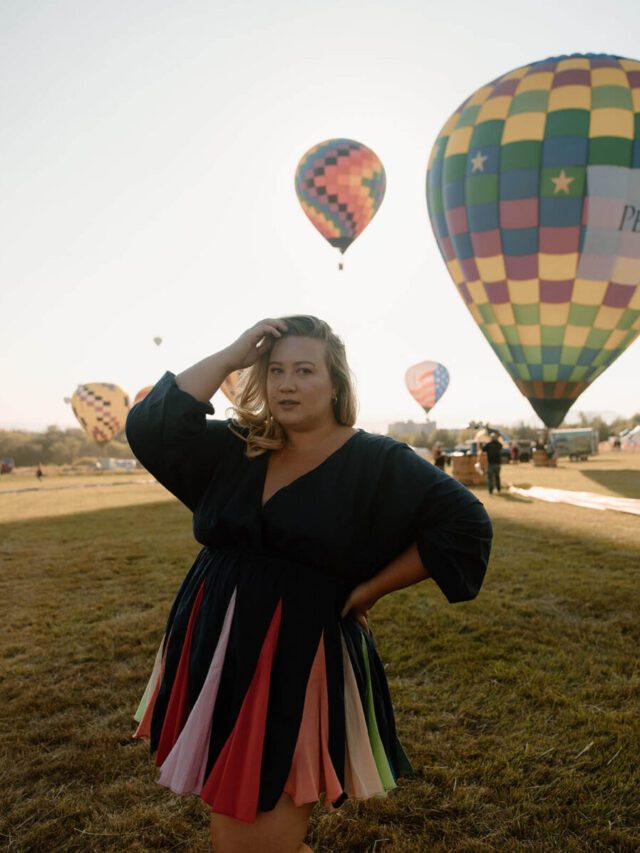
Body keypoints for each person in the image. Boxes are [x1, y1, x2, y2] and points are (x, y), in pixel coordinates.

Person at [126, 316, 492, 853]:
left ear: (336, 384)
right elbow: (153, 426)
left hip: (293, 650)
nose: (287, 384)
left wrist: (370, 590)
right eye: (275, 371)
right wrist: (231, 355)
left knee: (254, 812)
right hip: (216, 637)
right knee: (233, 802)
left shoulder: (375, 459)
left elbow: (465, 525)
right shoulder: (239, 446)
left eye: (304, 370)